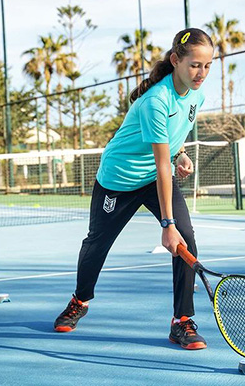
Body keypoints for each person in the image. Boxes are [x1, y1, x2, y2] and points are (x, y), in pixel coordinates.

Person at [54, 28, 214, 350]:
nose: (201, 73)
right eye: (195, 65)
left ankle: (182, 321)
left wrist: (181, 153)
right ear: (176, 61)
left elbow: (173, 143)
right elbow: (161, 165)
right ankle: (80, 300)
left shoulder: (197, 97)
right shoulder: (156, 101)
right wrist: (166, 225)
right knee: (98, 243)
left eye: (208, 65)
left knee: (187, 238)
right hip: (119, 179)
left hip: (155, 177)